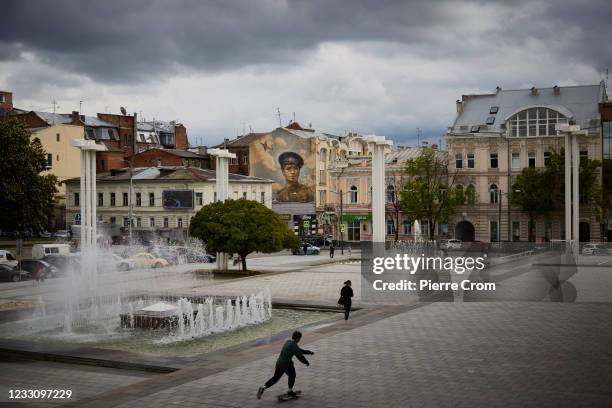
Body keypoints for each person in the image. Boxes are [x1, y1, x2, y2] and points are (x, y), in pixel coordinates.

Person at [257, 331, 314, 400]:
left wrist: (309, 352)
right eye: (300, 338)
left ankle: (263, 387)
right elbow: (299, 356)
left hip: (279, 363)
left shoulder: (288, 342)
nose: (299, 340)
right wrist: (306, 362)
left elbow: (299, 350)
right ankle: (290, 391)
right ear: (297, 338)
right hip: (286, 364)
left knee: (275, 378)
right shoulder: (293, 345)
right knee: (292, 375)